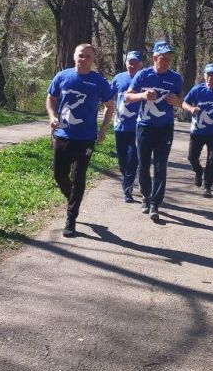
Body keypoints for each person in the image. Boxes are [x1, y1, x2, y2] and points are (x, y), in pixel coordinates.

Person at [46, 43, 116, 237]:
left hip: (85, 138)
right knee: (59, 175)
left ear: (93, 60)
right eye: (81, 55)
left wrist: (103, 129)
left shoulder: (99, 82)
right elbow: (51, 98)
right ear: (74, 56)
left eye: (88, 56)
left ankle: (71, 219)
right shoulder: (62, 76)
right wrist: (52, 116)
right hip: (62, 135)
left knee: (78, 177)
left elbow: (110, 106)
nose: (83, 59)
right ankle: (73, 199)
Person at [124, 40, 183, 222]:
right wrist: (142, 95)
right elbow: (127, 97)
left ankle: (155, 203)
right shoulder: (143, 75)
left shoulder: (176, 78)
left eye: (169, 59)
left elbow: (181, 100)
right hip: (145, 126)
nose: (166, 62)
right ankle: (145, 195)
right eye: (163, 58)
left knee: (160, 166)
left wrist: (177, 102)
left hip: (165, 128)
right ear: (154, 58)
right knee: (143, 165)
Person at [182, 63, 213, 198]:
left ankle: (207, 186)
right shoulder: (197, 90)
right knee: (192, 157)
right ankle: (198, 171)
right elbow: (184, 103)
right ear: (204, 75)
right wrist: (191, 109)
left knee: (212, 159)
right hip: (197, 131)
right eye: (208, 75)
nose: (210, 78)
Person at [110, 51, 143, 203]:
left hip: (138, 126)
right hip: (120, 126)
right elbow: (109, 96)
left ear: (141, 64)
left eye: (135, 63)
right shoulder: (119, 78)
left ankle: (127, 189)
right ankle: (128, 179)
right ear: (126, 63)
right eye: (130, 62)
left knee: (132, 159)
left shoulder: (144, 78)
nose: (132, 65)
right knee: (122, 160)